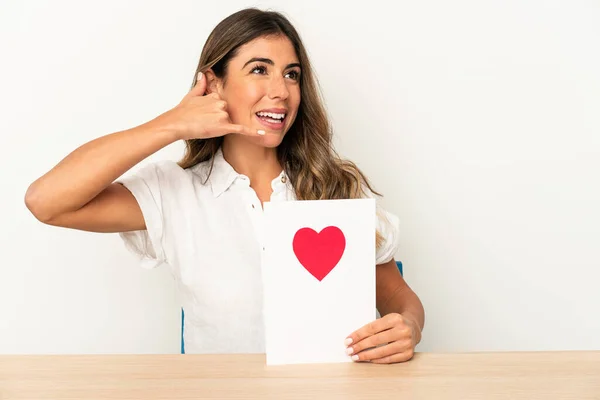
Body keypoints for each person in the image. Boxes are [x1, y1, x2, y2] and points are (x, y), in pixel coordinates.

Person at [24, 7, 424, 364]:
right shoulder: (173, 194)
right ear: (213, 84)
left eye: (291, 74)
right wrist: (172, 124)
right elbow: (47, 201)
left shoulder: (335, 187)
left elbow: (399, 299)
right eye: (259, 69)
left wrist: (407, 326)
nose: (281, 91)